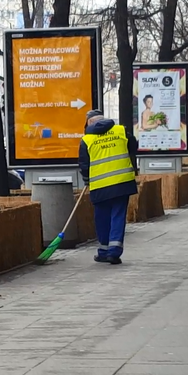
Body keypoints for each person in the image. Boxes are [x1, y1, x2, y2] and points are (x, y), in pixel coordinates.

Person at [79, 110, 138, 265]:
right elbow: (133, 146)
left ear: (89, 123)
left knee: (101, 218)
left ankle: (103, 251)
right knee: (118, 216)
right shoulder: (121, 130)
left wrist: (87, 179)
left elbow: (84, 165)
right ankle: (114, 252)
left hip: (99, 185)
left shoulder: (87, 140)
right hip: (121, 182)